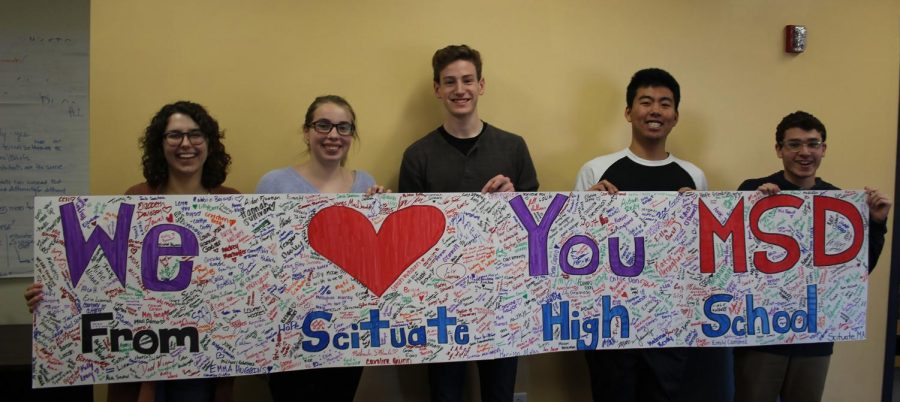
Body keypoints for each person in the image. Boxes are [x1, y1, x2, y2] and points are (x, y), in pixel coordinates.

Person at [25, 100, 237, 402]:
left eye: (196, 134)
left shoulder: (232, 203)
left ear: (209, 143)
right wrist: (51, 299)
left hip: (203, 354)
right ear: (160, 144)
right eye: (174, 135)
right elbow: (103, 278)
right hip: (142, 351)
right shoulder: (135, 198)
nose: (186, 144)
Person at [574, 67, 731, 402]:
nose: (655, 110)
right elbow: (572, 252)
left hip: (671, 325)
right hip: (611, 324)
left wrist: (697, 213)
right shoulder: (595, 170)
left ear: (675, 116)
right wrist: (587, 209)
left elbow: (705, 257)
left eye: (665, 103)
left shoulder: (694, 176)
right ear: (629, 112)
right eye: (646, 102)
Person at [398, 44, 539, 402]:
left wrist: (514, 199)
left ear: (481, 84)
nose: (459, 89)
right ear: (437, 89)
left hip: (503, 295)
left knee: (500, 391)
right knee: (445, 393)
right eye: (449, 82)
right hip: (440, 300)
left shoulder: (513, 147)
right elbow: (408, 233)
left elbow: (535, 227)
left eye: (467, 80)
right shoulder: (417, 155)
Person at [733, 110, 891, 402]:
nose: (804, 152)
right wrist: (753, 205)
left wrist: (877, 224)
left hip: (815, 335)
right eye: (794, 144)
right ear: (779, 149)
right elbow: (730, 259)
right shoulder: (753, 190)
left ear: (824, 149)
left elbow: (855, 272)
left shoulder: (838, 202)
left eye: (812, 144)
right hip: (761, 333)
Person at [256, 95, 388, 402]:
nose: (333, 135)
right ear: (307, 131)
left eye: (343, 127)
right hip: (288, 330)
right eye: (323, 125)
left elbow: (370, 261)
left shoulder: (365, 184)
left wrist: (380, 211)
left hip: (346, 330)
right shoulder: (274, 184)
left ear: (352, 135)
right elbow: (260, 259)